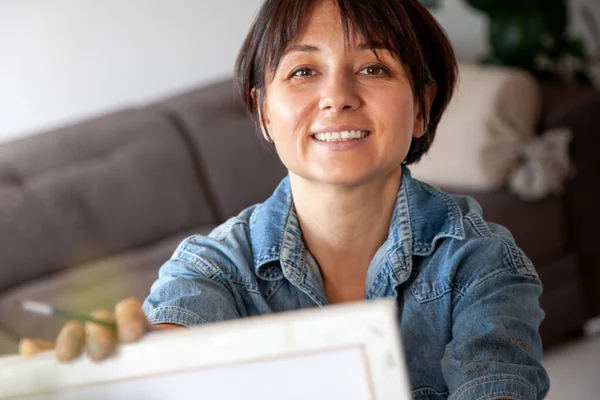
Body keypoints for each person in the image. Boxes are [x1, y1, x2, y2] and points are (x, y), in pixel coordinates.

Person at [20, 0, 550, 398]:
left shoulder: (483, 264)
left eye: (374, 68)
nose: (338, 95)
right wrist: (126, 371)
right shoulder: (213, 267)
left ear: (421, 107)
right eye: (303, 71)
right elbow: (174, 343)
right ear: (264, 113)